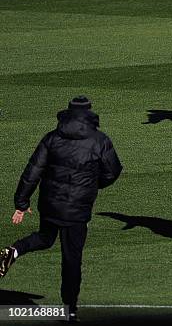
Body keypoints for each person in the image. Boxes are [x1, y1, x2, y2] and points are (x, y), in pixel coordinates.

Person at [0, 96, 122, 322]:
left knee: (45, 238)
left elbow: (32, 171)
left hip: (50, 204)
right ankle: (70, 309)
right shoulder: (99, 140)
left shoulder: (52, 138)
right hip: (77, 210)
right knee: (71, 259)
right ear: (89, 113)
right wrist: (93, 184)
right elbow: (113, 171)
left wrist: (21, 204)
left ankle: (15, 251)